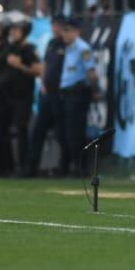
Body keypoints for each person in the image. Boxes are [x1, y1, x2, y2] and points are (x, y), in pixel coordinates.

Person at [0, 11, 40, 177]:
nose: (13, 32)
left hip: (22, 97)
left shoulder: (28, 50)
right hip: (8, 96)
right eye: (12, 29)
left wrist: (20, 66)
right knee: (4, 130)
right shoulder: (10, 48)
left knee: (21, 130)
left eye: (16, 29)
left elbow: (38, 70)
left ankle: (25, 167)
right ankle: (7, 166)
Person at [24, 16, 69, 177]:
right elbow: (45, 66)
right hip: (47, 94)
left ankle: (64, 166)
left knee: (62, 133)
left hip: (60, 95)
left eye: (57, 25)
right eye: (53, 25)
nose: (54, 28)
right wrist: (42, 83)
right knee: (38, 131)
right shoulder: (51, 44)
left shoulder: (68, 45)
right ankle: (32, 167)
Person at [56, 16, 97, 177]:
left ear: (77, 32)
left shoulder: (83, 48)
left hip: (78, 93)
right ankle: (69, 164)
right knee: (65, 131)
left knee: (76, 131)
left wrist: (92, 90)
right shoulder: (67, 48)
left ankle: (80, 166)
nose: (64, 34)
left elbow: (91, 73)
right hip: (66, 94)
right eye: (63, 31)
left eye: (68, 31)